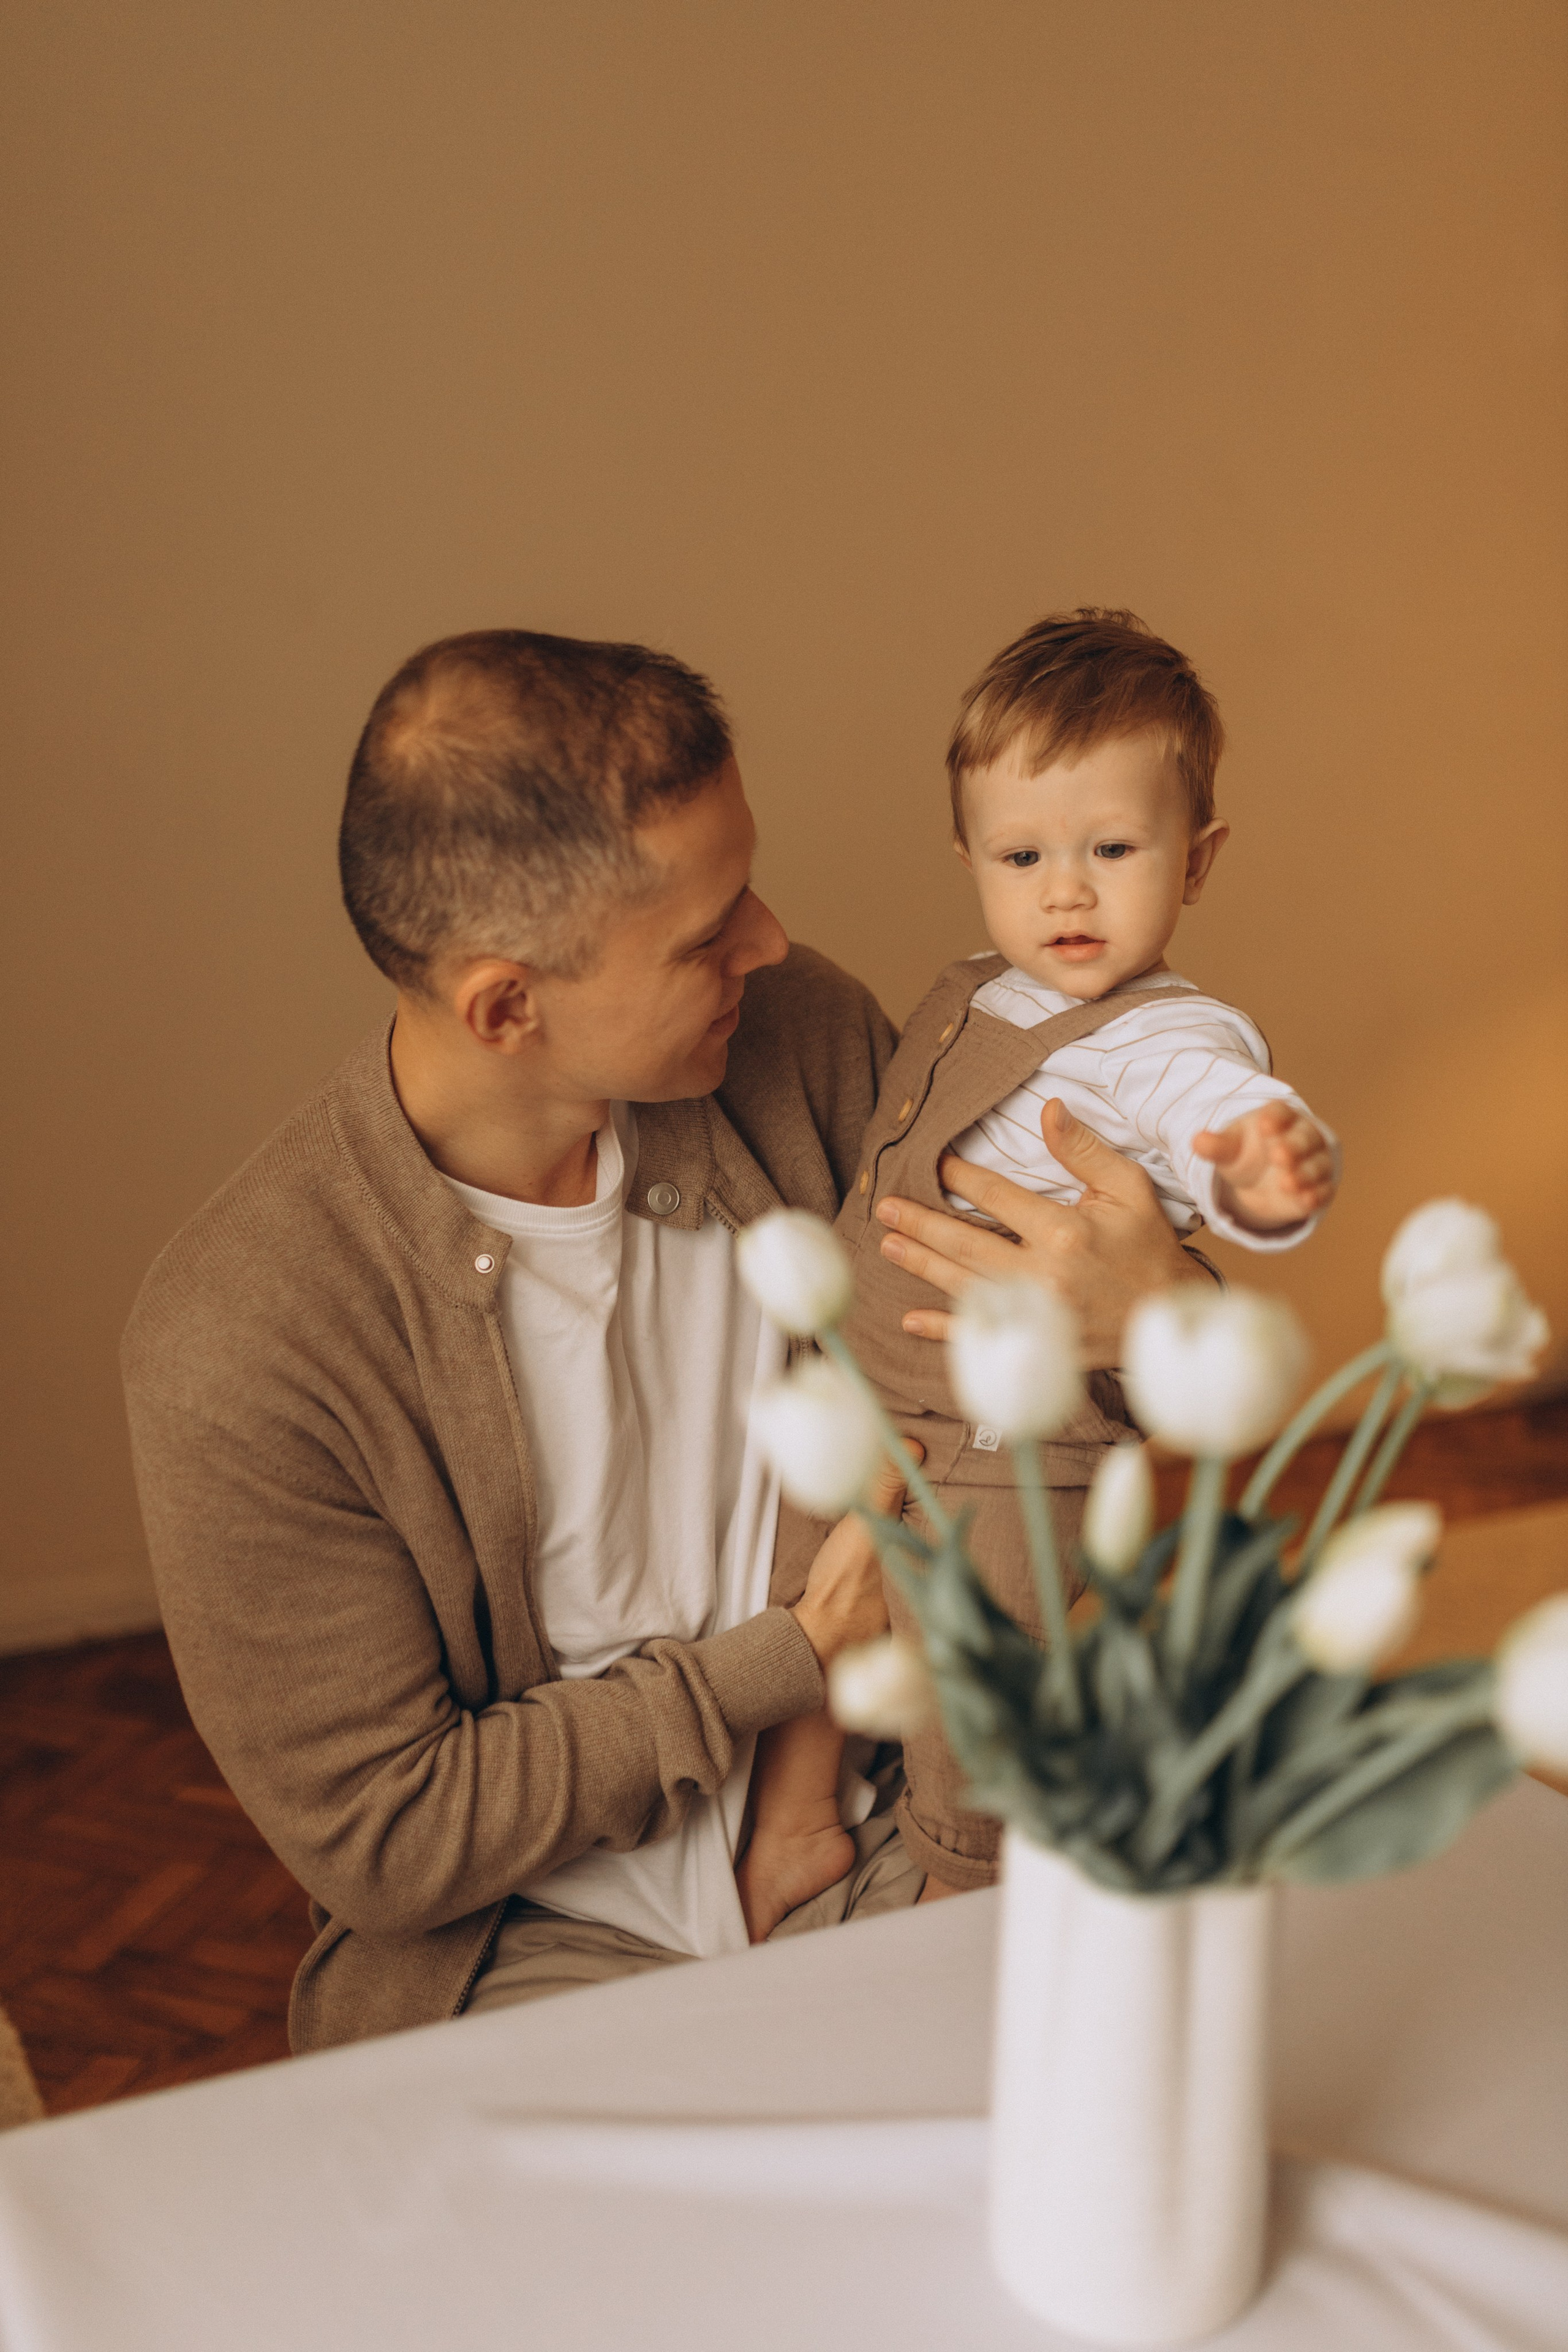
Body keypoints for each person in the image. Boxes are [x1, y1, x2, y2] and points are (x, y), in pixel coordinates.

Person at [122, 627, 1211, 2051]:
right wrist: (787, 1654)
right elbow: (393, 1837)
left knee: (1182, 2063)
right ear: (506, 1006)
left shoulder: (799, 1042)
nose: (768, 940)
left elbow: (1008, 1398)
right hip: (530, 1940)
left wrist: (1159, 1322)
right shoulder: (242, 1343)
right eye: (705, 935)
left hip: (900, 1818)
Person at [739, 611, 1338, 1936]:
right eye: (1023, 857)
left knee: (981, 1679)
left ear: (1195, 860)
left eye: (1112, 851)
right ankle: (795, 1815)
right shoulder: (980, 986)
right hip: (871, 1372)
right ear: (971, 860)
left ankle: (968, 1885)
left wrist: (1260, 1168)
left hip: (1011, 1441)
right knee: (796, 1591)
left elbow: (1215, 1109)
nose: (1065, 893)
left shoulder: (1164, 1038)